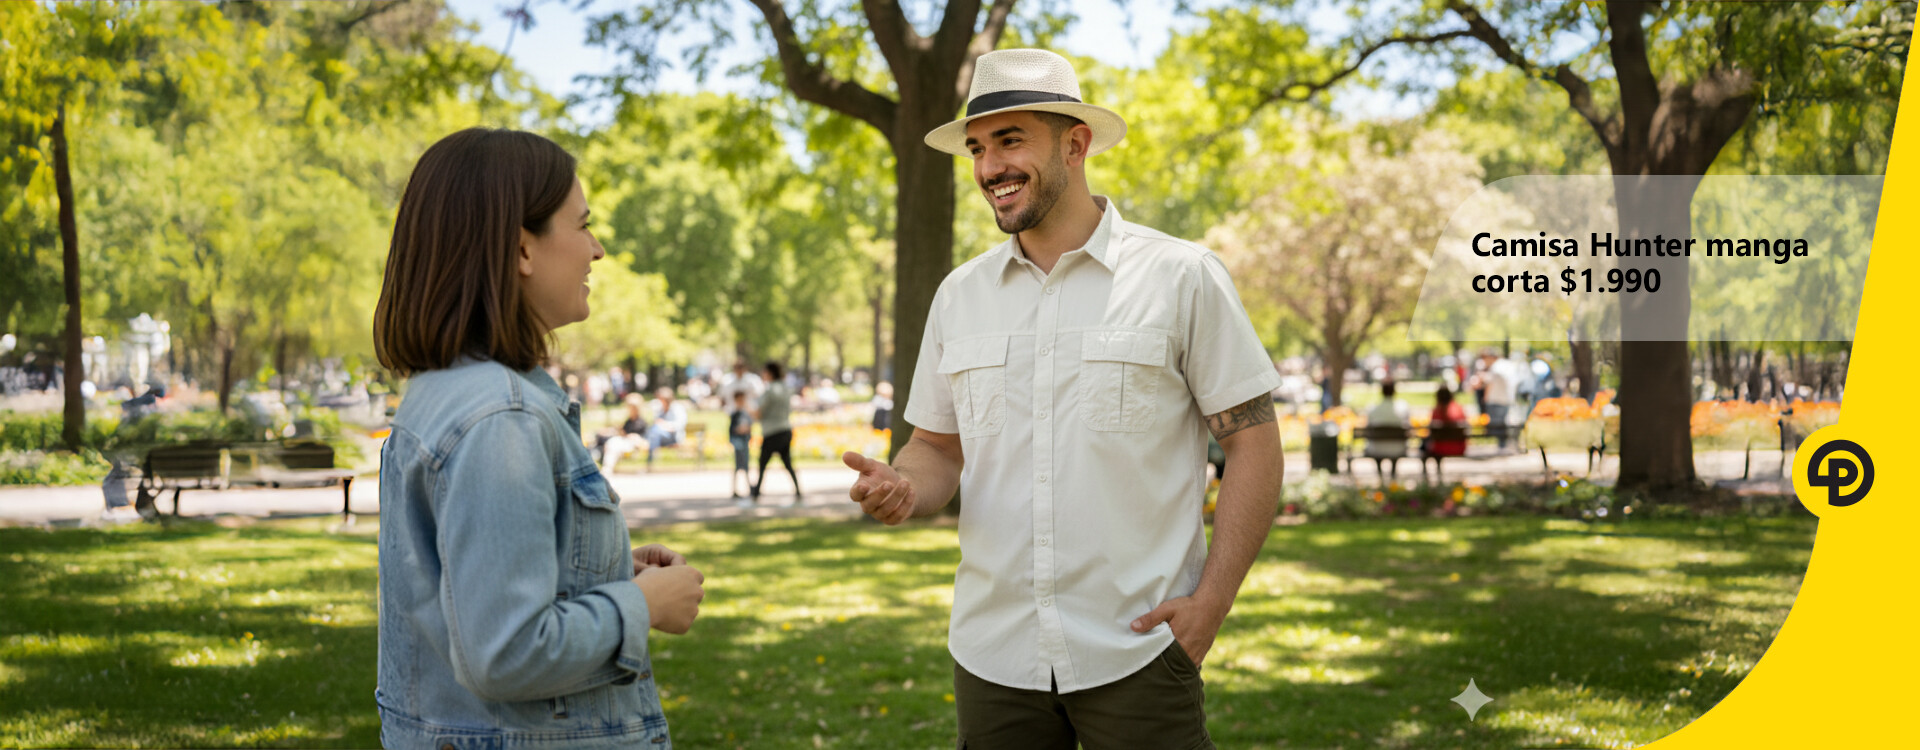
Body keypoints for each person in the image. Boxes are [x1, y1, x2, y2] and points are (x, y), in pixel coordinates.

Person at [840, 49, 1284, 750]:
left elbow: (1254, 441)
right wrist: (903, 486)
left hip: (1138, 650)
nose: (989, 168)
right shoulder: (961, 296)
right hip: (994, 656)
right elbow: (934, 449)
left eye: (1010, 140)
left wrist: (1212, 603)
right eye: (979, 148)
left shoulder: (1181, 277)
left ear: (1075, 144)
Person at [369, 127, 704, 750]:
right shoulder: (500, 418)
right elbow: (505, 652)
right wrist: (643, 608)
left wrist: (599, 571)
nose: (597, 250)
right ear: (523, 248)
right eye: (582, 225)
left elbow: (462, 597)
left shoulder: (450, 392)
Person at [748, 361, 801, 505]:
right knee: (788, 463)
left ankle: (756, 492)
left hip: (772, 431)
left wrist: (747, 408)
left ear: (769, 373)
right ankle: (798, 490)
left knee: (762, 463)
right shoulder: (786, 388)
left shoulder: (769, 390)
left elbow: (758, 412)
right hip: (785, 429)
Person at [597, 393, 650, 474]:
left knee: (613, 444)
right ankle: (605, 466)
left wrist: (633, 437)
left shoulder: (641, 422)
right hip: (624, 442)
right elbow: (623, 431)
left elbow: (644, 440)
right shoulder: (629, 421)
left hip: (633, 445)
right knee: (611, 442)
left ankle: (607, 468)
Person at [643, 386, 687, 471]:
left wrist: (665, 425)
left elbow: (680, 424)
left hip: (674, 436)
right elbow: (657, 421)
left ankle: (651, 460)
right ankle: (651, 459)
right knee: (655, 431)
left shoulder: (677, 408)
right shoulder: (660, 409)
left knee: (655, 431)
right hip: (660, 436)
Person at [1423, 385, 1470, 458]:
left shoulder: (1437, 411)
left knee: (1425, 443)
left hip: (1440, 448)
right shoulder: (1458, 409)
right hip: (1459, 448)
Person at [729, 390, 754, 502]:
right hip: (738, 443)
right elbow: (731, 430)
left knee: (746, 466)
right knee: (738, 467)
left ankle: (749, 488)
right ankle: (735, 489)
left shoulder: (746, 414)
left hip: (745, 443)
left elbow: (750, 427)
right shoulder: (735, 414)